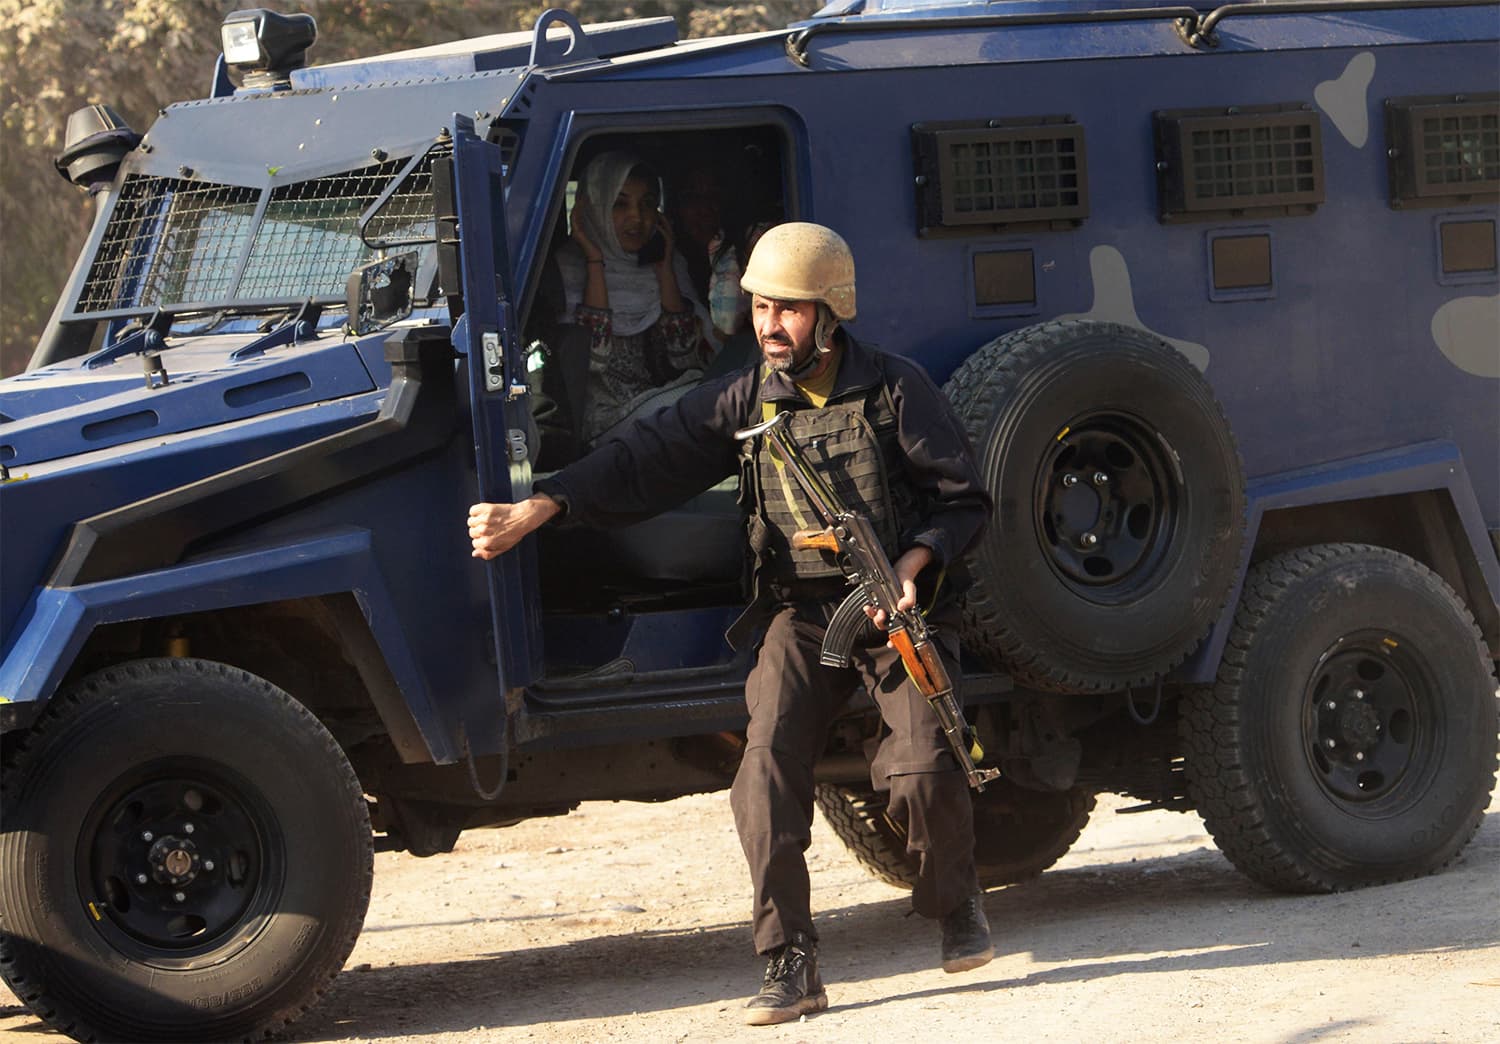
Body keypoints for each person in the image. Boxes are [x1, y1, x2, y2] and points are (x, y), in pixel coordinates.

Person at [468, 222, 995, 1026]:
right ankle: (789, 962)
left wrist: (912, 568)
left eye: (787, 309)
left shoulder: (894, 390)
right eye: (759, 307)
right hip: (799, 614)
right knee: (764, 771)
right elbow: (647, 455)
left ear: (829, 313)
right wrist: (543, 505)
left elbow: (965, 502)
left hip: (894, 613)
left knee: (924, 770)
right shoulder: (744, 400)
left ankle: (954, 896)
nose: (768, 325)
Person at [557, 150, 711, 442]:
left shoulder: (669, 264)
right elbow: (593, 362)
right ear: (594, 209)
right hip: (605, 424)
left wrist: (665, 271)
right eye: (619, 204)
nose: (636, 218)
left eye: (648, 204)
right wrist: (595, 261)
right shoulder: (567, 270)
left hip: (664, 409)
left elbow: (685, 359)